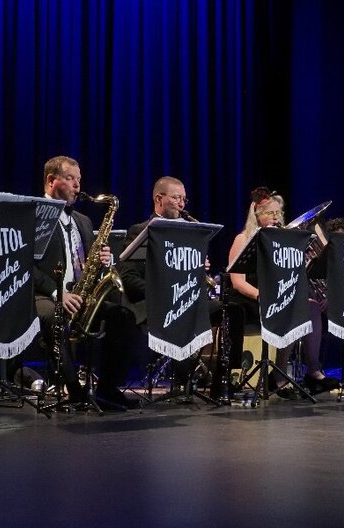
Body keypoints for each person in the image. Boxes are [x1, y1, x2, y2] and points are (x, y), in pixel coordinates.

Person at [118, 176, 244, 401]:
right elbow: (128, 278)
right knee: (182, 313)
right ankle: (181, 381)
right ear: (159, 198)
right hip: (154, 303)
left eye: (184, 199)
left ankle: (222, 380)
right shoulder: (140, 230)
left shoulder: (189, 233)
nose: (182, 204)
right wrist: (161, 293)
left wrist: (198, 270)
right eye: (176, 198)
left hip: (184, 299)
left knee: (232, 310)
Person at [31, 156, 139, 409]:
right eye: (70, 179)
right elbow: (25, 265)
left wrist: (104, 259)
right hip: (43, 295)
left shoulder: (83, 221)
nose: (78, 186)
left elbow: (90, 262)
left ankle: (108, 388)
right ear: (50, 180)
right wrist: (58, 294)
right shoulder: (34, 215)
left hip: (80, 295)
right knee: (55, 317)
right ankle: (75, 391)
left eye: (79, 180)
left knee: (123, 316)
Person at [227, 187, 336, 397]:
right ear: (257, 215)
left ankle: (313, 371)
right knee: (289, 307)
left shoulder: (286, 243)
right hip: (250, 298)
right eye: (271, 213)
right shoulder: (243, 239)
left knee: (310, 306)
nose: (276, 217)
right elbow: (237, 282)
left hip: (276, 297)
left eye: (279, 213)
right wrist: (262, 296)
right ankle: (278, 378)